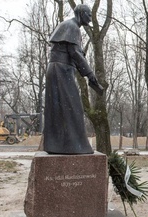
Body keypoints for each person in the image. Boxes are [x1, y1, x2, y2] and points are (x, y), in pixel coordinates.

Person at [43, 4, 103, 154]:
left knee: (62, 109)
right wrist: (90, 74)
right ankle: (75, 146)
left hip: (60, 69)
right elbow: (75, 53)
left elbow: (74, 53)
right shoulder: (72, 26)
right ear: (81, 13)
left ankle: (61, 145)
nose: (90, 18)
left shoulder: (69, 26)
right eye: (88, 15)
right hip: (61, 70)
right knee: (73, 108)